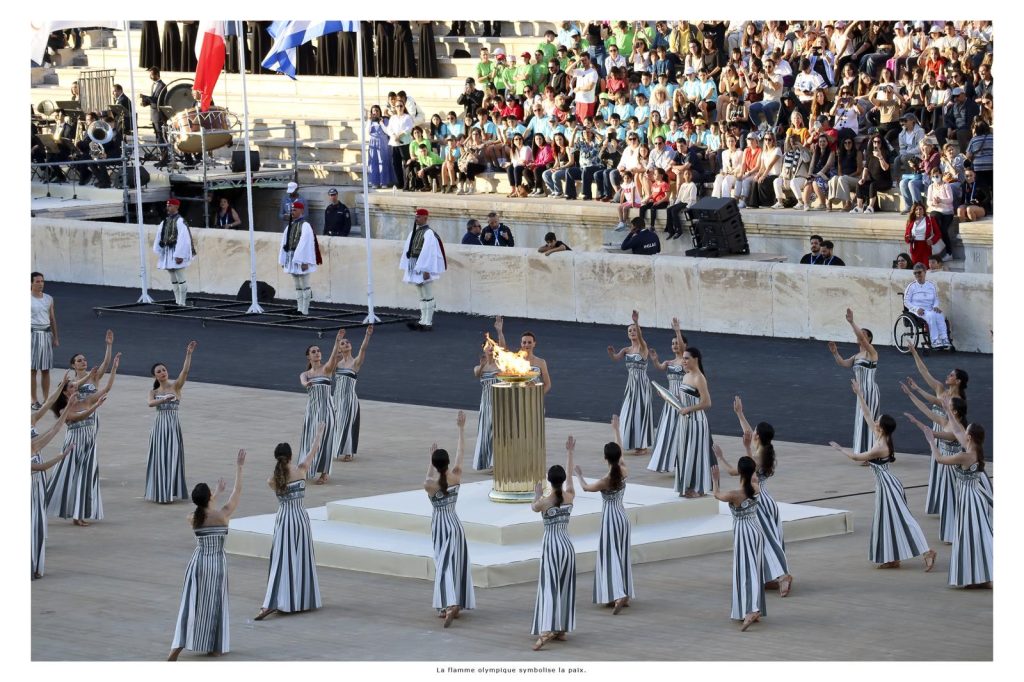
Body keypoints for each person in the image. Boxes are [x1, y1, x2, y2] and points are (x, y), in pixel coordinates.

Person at [830, 382, 936, 572]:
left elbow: (856, 457)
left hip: (888, 486)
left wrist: (840, 449)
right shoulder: (880, 436)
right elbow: (867, 415)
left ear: (883, 427)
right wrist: (859, 395)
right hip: (884, 485)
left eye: (878, 421)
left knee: (905, 519)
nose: (875, 422)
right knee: (885, 520)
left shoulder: (880, 446)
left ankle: (927, 551)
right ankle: (892, 557)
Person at [168, 449, 246, 661]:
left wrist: (214, 494)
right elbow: (237, 493)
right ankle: (215, 645)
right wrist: (239, 467)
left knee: (191, 603)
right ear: (209, 498)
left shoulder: (193, 518)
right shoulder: (222, 516)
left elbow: (201, 508)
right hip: (217, 564)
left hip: (198, 563)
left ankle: (176, 648)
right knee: (216, 603)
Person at [906, 405, 992, 588]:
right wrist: (948, 410)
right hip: (973, 498)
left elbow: (940, 460)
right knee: (975, 534)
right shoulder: (974, 450)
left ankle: (983, 575)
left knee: (971, 534)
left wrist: (931, 441)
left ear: (969, 437)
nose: (962, 431)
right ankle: (981, 575)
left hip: (969, 500)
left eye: (965, 431)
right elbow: (958, 431)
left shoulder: (965, 455)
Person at [715, 398, 793, 597]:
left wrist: (720, 458)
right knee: (769, 538)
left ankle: (783, 575)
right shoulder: (766, 450)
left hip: (760, 503)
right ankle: (770, 576)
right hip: (766, 499)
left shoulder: (757, 456)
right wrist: (740, 414)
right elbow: (749, 432)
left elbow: (736, 472)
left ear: (758, 437)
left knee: (767, 540)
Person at [255, 424, 326, 621]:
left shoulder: (273, 480)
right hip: (301, 519)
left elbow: (275, 482)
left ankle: (273, 601)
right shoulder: (301, 470)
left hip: (285, 520)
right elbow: (314, 450)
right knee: (301, 558)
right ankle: (300, 599)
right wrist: (318, 434)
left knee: (281, 560)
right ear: (291, 456)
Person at [45, 351, 121, 526]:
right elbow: (77, 417)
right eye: (72, 388)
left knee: (86, 476)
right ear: (65, 393)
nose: (76, 388)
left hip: (89, 442)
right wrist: (95, 406)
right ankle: (51, 503)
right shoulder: (64, 410)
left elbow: (107, 388)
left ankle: (79, 514)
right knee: (68, 475)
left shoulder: (85, 401)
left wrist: (115, 368)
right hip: (74, 443)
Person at [904, 342, 973, 520]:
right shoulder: (942, 389)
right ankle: (940, 503)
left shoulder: (956, 400)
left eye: (951, 375)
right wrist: (914, 353)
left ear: (958, 381)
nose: (947, 376)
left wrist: (916, 391)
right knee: (937, 466)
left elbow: (935, 403)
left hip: (947, 430)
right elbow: (924, 372)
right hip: (938, 424)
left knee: (944, 464)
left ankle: (951, 505)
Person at [574, 419, 634, 613]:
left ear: (605, 458)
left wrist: (579, 474)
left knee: (610, 556)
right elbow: (621, 453)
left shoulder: (605, 481)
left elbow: (585, 487)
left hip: (610, 519)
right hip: (622, 517)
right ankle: (621, 591)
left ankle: (618, 594)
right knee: (621, 554)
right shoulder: (623, 470)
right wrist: (616, 430)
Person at [425, 411, 476, 627]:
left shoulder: (430, 486)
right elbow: (461, 453)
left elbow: (428, 478)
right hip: (455, 523)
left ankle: (449, 604)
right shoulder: (456, 476)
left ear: (435, 464)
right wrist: (461, 429)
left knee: (443, 564)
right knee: (455, 563)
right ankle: (453, 601)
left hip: (440, 525)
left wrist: (431, 460)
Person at [530, 436, 577, 651]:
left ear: (549, 480)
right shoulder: (570, 496)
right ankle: (562, 629)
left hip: (551, 546)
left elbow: (534, 506)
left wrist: (537, 493)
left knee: (549, 586)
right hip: (567, 545)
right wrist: (569, 453)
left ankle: (546, 629)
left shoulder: (545, 502)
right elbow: (569, 481)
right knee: (565, 585)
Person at [711, 456, 764, 631]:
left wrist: (715, 480)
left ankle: (751, 609)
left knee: (746, 570)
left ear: (739, 473)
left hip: (744, 532)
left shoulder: (734, 495)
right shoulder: (755, 487)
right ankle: (752, 606)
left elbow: (717, 495)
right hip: (756, 529)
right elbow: (754, 476)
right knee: (754, 568)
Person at [145, 341, 197, 504]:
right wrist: (163, 399)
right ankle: (161, 493)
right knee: (160, 458)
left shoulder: (176, 387)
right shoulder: (153, 391)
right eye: (158, 372)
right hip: (160, 427)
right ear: (155, 376)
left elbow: (185, 371)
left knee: (172, 457)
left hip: (173, 427)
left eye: (164, 370)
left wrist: (188, 354)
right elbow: (150, 403)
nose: (162, 373)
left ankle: (169, 491)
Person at [828, 309, 879, 456]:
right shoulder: (857, 355)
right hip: (860, 392)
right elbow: (843, 363)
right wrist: (835, 352)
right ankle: (863, 453)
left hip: (870, 390)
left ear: (868, 339)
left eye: (863, 334)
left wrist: (851, 322)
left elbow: (862, 340)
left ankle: (872, 453)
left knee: (870, 421)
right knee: (861, 421)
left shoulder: (872, 352)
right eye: (860, 333)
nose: (860, 336)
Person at [300, 331, 345, 484]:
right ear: (308, 356)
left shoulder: (326, 370)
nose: (317, 353)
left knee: (325, 440)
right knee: (309, 439)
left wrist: (337, 341)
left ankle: (324, 472)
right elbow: (303, 382)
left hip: (326, 410)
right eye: (314, 352)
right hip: (312, 412)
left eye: (318, 351)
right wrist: (307, 384)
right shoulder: (305, 374)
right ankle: (306, 468)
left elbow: (333, 359)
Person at [607, 309, 653, 456]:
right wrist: (611, 353)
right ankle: (627, 442)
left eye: (635, 330)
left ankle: (642, 446)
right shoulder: (626, 350)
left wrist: (636, 321)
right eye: (630, 330)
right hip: (631, 385)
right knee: (627, 412)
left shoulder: (643, 347)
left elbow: (640, 336)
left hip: (642, 384)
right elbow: (615, 358)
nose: (632, 332)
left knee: (641, 413)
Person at [647, 318, 687, 473]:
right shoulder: (669, 362)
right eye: (673, 343)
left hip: (682, 401)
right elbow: (659, 367)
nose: (675, 345)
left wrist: (677, 331)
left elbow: (683, 350)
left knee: (679, 431)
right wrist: (655, 359)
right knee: (668, 431)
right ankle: (669, 463)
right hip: (670, 402)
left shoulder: (685, 361)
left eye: (677, 342)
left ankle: (680, 463)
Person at [674, 347, 713, 498]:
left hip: (697, 421)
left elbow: (707, 402)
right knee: (684, 453)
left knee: (695, 453)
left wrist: (688, 409)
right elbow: (682, 397)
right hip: (685, 421)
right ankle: (687, 486)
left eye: (686, 358)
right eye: (683, 358)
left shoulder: (699, 378)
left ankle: (697, 488)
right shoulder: (686, 375)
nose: (683, 361)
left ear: (695, 359)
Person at [331, 325, 373, 463]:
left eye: (348, 342)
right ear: (340, 349)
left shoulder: (355, 363)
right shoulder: (336, 364)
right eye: (343, 343)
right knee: (335, 423)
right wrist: (337, 340)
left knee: (347, 423)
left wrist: (367, 335)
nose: (346, 344)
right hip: (337, 397)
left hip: (349, 398)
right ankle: (335, 447)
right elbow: (329, 364)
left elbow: (363, 349)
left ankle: (348, 452)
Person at [400, 208, 446, 331]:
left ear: (425, 218)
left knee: (428, 294)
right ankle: (422, 320)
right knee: (421, 294)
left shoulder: (429, 233)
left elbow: (429, 253)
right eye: (416, 217)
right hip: (415, 266)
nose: (416, 219)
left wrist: (427, 270)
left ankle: (428, 322)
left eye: (419, 217)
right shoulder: (414, 232)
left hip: (424, 267)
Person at [472, 317, 503, 471]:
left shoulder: (500, 363)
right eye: (488, 345)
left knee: (497, 431)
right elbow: (476, 373)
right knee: (485, 431)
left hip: (500, 401)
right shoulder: (479, 367)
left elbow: (503, 347)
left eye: (492, 345)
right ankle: (485, 462)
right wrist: (483, 364)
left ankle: (496, 463)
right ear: (483, 349)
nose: (491, 347)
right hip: (486, 401)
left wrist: (499, 331)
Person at [153, 199, 196, 307]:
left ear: (177, 207)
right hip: (168, 252)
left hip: (176, 252)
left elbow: (184, 239)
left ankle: (182, 302)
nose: (168, 207)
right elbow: (160, 235)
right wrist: (160, 248)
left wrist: (179, 255)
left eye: (170, 206)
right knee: (173, 278)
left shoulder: (180, 221)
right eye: (168, 205)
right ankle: (177, 301)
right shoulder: (165, 221)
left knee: (180, 277)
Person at [279, 201, 318, 316]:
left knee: (305, 285)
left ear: (301, 211)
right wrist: (283, 259)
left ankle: (305, 310)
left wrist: (304, 260)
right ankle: (299, 308)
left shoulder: (305, 225)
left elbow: (306, 244)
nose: (292, 212)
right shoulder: (290, 225)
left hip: (301, 260)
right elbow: (284, 243)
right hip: (292, 259)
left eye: (295, 210)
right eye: (292, 210)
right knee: (297, 285)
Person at [31, 272, 59, 411]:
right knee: (32, 369)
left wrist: (55, 337)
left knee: (46, 369)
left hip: (46, 334)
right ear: (31, 283)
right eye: (37, 281)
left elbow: (52, 318)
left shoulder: (48, 298)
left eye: (42, 281)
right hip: (31, 335)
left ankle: (46, 399)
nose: (40, 283)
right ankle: (34, 400)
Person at [904, 263, 950, 349]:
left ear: (925, 272)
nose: (917, 275)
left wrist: (936, 306)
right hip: (917, 310)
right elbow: (906, 301)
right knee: (931, 316)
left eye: (919, 272)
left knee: (940, 315)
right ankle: (935, 340)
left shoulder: (931, 285)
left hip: (930, 308)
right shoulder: (911, 286)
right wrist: (916, 308)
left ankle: (944, 339)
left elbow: (936, 298)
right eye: (915, 273)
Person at [366, 104, 397, 189]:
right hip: (373, 143)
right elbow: (368, 132)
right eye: (373, 111)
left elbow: (387, 132)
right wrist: (369, 120)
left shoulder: (385, 120)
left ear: (379, 111)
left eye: (377, 111)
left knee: (383, 162)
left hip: (383, 143)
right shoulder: (370, 121)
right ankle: (375, 182)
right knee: (374, 162)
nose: (375, 112)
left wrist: (381, 123)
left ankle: (384, 182)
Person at [903, 203, 941, 268]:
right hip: (915, 247)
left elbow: (938, 233)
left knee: (927, 266)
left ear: (924, 210)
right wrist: (909, 238)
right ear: (914, 211)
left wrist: (932, 241)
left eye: (920, 209)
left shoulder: (930, 219)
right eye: (916, 209)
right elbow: (906, 237)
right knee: (916, 267)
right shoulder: (910, 221)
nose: (918, 211)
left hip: (926, 246)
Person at [139, 67, 167, 149]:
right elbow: (152, 99)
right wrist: (145, 103)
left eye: (151, 75)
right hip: (153, 114)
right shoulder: (153, 85)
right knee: (157, 136)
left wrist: (144, 96)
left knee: (161, 136)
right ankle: (161, 153)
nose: (150, 77)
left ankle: (164, 154)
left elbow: (157, 99)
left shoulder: (162, 86)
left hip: (159, 115)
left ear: (157, 75)